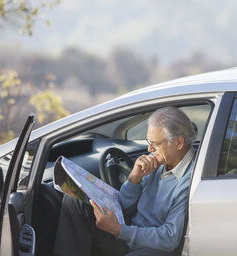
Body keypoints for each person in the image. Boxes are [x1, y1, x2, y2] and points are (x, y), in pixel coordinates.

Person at [53, 106, 197, 256]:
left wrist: (118, 230)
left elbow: (169, 238)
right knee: (74, 201)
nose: (149, 149)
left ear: (179, 143)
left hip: (151, 247)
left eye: (155, 144)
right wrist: (134, 179)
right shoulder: (158, 163)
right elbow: (125, 207)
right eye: (149, 142)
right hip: (129, 230)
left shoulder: (190, 181)